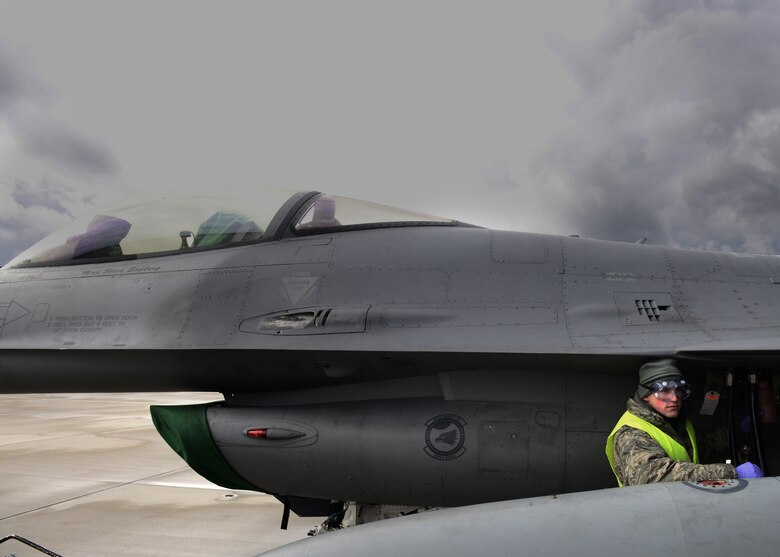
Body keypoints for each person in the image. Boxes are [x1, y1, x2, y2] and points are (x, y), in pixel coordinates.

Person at [606, 359, 762, 486]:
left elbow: (704, 445)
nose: (674, 399)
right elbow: (652, 476)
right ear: (646, 395)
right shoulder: (632, 433)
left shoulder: (675, 423)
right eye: (665, 391)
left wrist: (739, 430)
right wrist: (732, 473)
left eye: (679, 390)